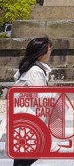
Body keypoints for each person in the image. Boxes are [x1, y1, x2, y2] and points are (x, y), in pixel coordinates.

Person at [13, 36, 53, 166]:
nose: (50, 52)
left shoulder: (27, 68)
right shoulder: (36, 72)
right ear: (40, 52)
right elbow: (41, 100)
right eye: (48, 49)